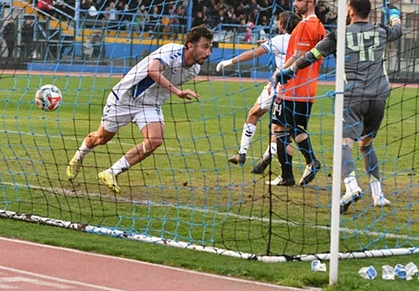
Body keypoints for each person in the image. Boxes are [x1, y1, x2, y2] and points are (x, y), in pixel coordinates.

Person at [277, 0, 403, 212]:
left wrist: (290, 70)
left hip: (352, 96)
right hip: (379, 96)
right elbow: (398, 30)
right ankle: (378, 194)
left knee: (344, 144)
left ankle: (351, 187)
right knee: (366, 144)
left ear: (351, 11)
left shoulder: (339, 35)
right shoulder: (381, 30)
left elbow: (312, 55)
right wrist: (394, 14)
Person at [66, 25, 214, 194]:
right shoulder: (172, 50)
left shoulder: (194, 70)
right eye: (204, 47)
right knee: (101, 138)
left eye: (210, 47)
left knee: (155, 140)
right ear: (190, 45)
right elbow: (152, 70)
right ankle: (79, 156)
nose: (208, 53)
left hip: (149, 105)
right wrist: (177, 92)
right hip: (124, 98)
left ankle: (111, 172)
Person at [216, 11, 300, 167]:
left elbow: (254, 53)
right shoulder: (302, 41)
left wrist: (231, 61)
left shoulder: (279, 40)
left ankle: (242, 153)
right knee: (280, 126)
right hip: (298, 88)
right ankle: (268, 154)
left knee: (254, 114)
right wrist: (269, 42)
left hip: (278, 85)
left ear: (282, 25)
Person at [266, 0, 326, 186]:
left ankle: (287, 175)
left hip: (292, 87)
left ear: (311, 2)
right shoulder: (320, 27)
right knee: (294, 128)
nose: (294, 4)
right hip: (309, 88)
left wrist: (278, 74)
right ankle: (311, 161)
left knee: (279, 127)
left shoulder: (304, 26)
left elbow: (297, 56)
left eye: (299, 0)